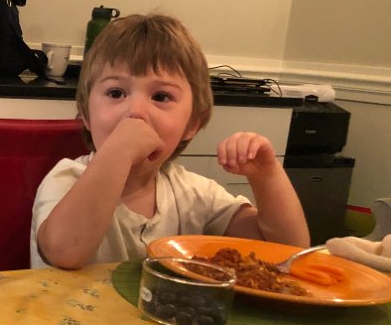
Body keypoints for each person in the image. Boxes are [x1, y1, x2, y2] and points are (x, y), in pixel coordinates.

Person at [32, 13, 309, 270]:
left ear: (192, 124)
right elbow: (65, 252)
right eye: (116, 93)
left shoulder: (194, 194)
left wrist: (267, 176)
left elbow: (286, 254)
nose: (136, 111)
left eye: (161, 97)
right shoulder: (67, 179)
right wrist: (119, 151)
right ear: (86, 115)